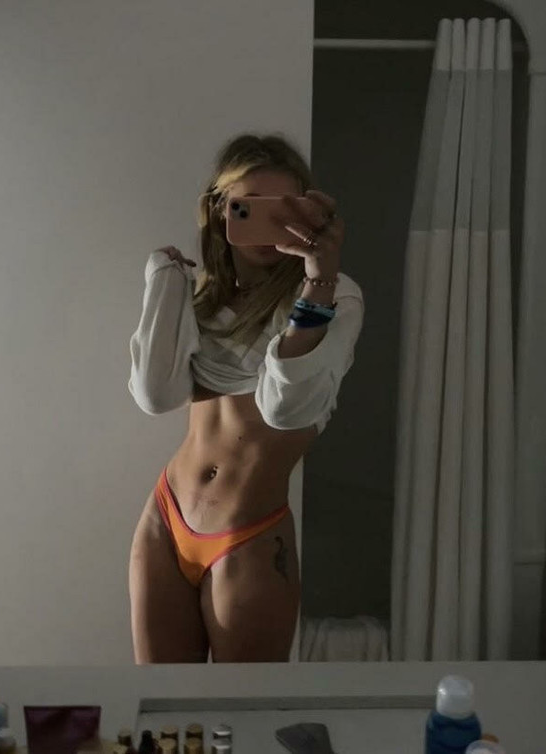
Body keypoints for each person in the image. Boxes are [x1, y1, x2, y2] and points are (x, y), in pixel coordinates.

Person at [127, 133, 364, 662]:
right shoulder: (201, 296)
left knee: (242, 702)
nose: (268, 225)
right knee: (160, 703)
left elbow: (287, 408)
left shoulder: (336, 295)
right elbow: (155, 394)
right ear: (220, 210)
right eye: (249, 206)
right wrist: (162, 280)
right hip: (166, 516)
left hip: (248, 534)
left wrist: (319, 280)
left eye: (284, 209)